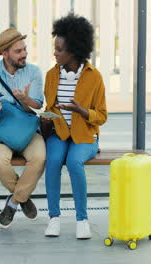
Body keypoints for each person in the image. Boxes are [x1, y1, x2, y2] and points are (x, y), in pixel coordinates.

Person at [42, 14, 107, 239]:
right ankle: (54, 218)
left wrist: (82, 111)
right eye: (55, 48)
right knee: (52, 162)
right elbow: (49, 107)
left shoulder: (94, 77)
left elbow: (101, 116)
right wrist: (45, 117)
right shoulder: (51, 76)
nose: (55, 53)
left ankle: (82, 219)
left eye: (59, 49)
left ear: (74, 51)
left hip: (86, 135)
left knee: (74, 162)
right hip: (59, 133)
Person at [0, 28, 46, 229]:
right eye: (18, 51)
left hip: (26, 127)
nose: (24, 54)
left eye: (24, 49)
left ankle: (14, 202)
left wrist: (25, 100)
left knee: (40, 157)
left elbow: (36, 106)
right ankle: (23, 198)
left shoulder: (33, 72)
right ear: (5, 54)